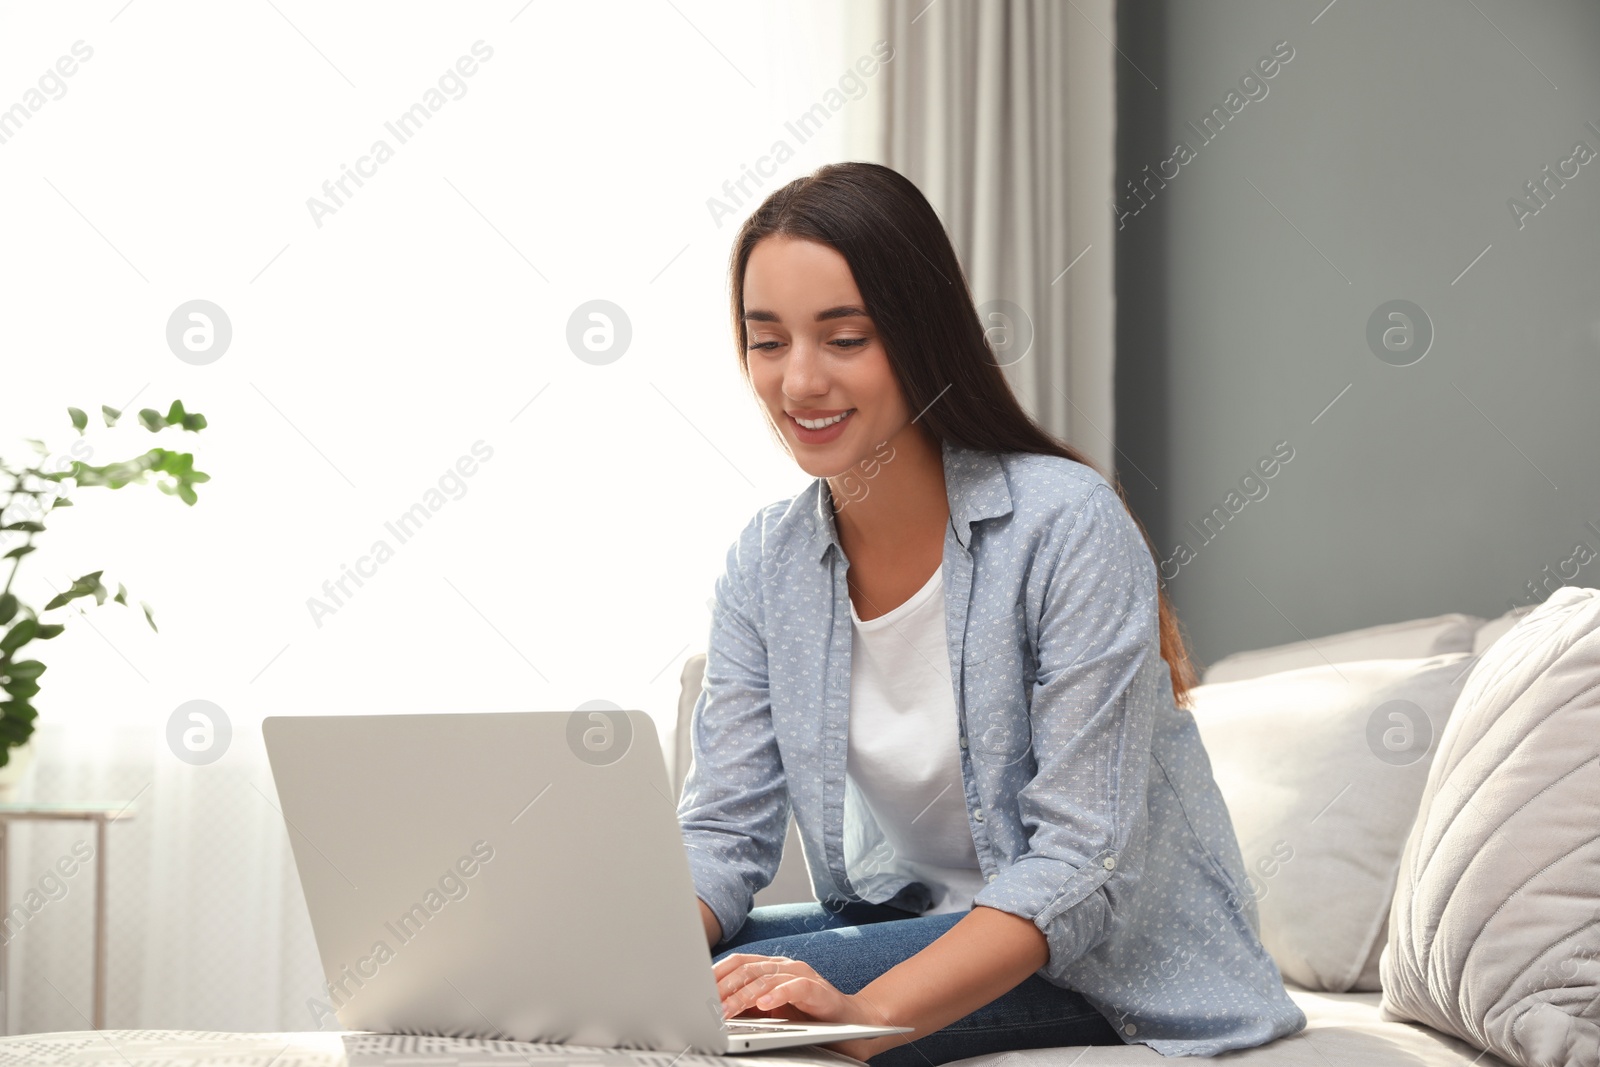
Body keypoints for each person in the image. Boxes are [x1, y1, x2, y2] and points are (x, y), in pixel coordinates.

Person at [676, 161, 1305, 1066]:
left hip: (1100, 957)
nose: (798, 380)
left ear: (921, 335)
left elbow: (1080, 865)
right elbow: (725, 830)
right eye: (766, 341)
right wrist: (631, 953)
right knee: (671, 984)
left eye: (844, 337)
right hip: (924, 920)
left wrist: (856, 1013)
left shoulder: (1065, 524)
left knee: (737, 1009)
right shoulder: (767, 562)